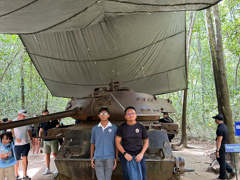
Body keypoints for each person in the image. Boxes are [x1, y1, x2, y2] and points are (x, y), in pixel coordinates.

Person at [115, 106, 149, 180]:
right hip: (126, 155)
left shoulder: (141, 127)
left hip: (139, 154)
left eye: (133, 113)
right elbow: (117, 142)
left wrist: (141, 154)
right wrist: (125, 154)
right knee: (127, 176)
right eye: (129, 114)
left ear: (136, 115)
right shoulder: (121, 127)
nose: (131, 115)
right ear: (125, 116)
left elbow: (146, 141)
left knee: (143, 175)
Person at [90, 107, 118, 180]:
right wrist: (92, 158)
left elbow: (116, 144)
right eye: (101, 113)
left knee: (108, 178)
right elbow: (92, 143)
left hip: (110, 157)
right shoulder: (95, 128)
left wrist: (116, 158)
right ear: (99, 115)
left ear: (108, 115)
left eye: (105, 113)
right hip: (98, 157)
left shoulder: (114, 128)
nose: (103, 115)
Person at [213, 114, 235, 180]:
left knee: (222, 162)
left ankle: (221, 177)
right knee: (220, 159)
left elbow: (219, 141)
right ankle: (230, 170)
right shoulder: (225, 127)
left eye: (215, 119)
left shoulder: (220, 129)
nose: (215, 120)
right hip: (225, 145)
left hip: (222, 146)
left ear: (217, 120)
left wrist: (217, 151)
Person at [12, 109, 32, 180]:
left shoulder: (26, 122)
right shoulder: (13, 122)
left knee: (25, 158)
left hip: (26, 143)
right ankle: (16, 175)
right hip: (17, 145)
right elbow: (10, 134)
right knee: (16, 160)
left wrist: (31, 138)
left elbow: (29, 131)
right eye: (23, 116)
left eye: (25, 116)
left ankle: (24, 175)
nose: (25, 117)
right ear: (19, 115)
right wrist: (15, 138)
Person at [39, 109, 59, 175]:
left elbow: (58, 127)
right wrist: (39, 139)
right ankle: (48, 168)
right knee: (47, 154)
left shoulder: (54, 120)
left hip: (53, 139)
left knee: (54, 154)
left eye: (47, 114)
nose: (46, 116)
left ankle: (58, 168)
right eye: (44, 115)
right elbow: (41, 130)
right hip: (45, 140)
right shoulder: (42, 121)